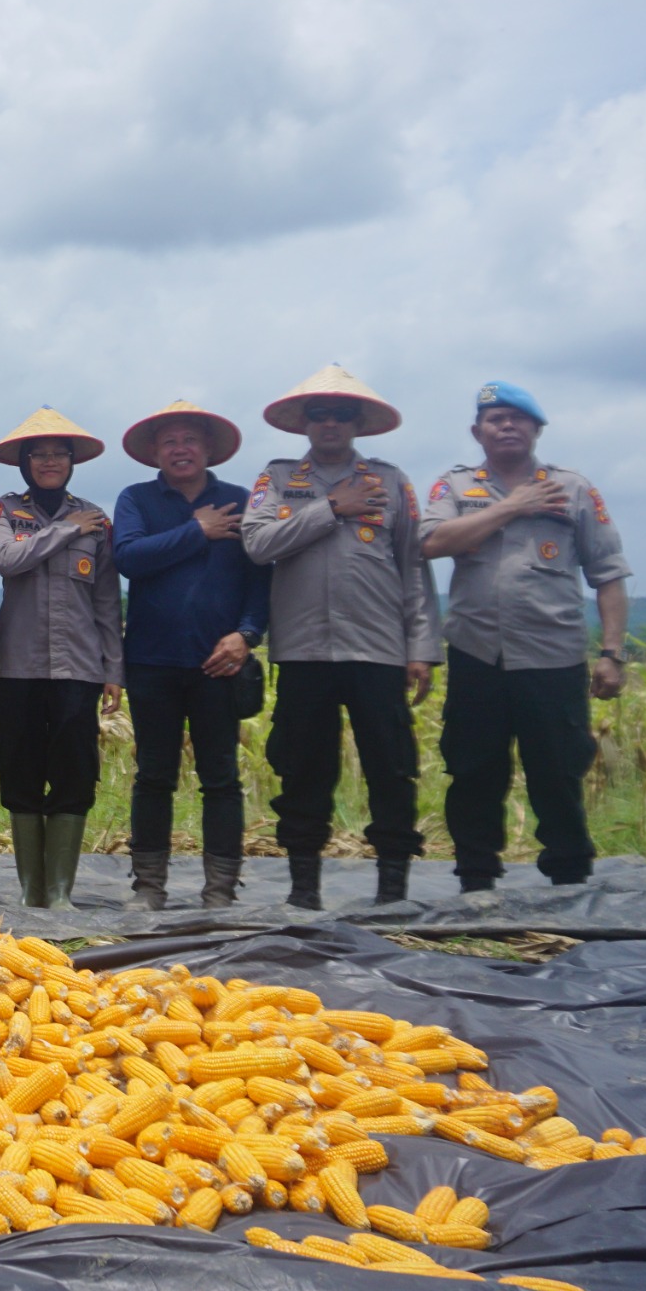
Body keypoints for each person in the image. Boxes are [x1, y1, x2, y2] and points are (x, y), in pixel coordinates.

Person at [242, 365, 440, 910]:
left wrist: (421, 646)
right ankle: (304, 890)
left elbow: (413, 568)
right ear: (305, 423)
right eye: (320, 414)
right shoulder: (279, 478)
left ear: (358, 424)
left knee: (391, 766)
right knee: (304, 768)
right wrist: (332, 508)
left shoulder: (393, 481)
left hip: (378, 649)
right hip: (304, 651)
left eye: (342, 414)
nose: (330, 422)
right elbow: (257, 544)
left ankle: (392, 891)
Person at [421, 380, 632, 891]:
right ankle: (476, 879)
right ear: (478, 431)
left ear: (537, 428)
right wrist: (512, 506)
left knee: (558, 773)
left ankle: (569, 877)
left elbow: (608, 574)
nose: (507, 425)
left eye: (518, 417)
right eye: (496, 419)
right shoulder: (454, 487)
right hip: (477, 654)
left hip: (552, 656)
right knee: (473, 772)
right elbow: (430, 541)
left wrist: (612, 654)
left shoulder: (574, 488)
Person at [112, 400, 271, 911]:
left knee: (220, 776)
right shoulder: (136, 498)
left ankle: (220, 889)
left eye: (190, 439)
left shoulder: (241, 500)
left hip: (220, 663)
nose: (180, 449)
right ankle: (148, 887)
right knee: (154, 775)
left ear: (207, 448)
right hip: (152, 660)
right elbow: (129, 559)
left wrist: (246, 634)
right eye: (169, 441)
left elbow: (261, 577)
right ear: (155, 452)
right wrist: (196, 531)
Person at [0, 409, 122, 907]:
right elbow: (8, 560)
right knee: (19, 772)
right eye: (37, 454)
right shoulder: (1, 512)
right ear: (22, 462)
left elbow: (106, 598)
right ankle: (29, 890)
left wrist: (113, 669)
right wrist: (64, 530)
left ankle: (60, 892)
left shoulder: (96, 519)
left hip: (78, 668)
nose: (48, 461)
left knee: (73, 772)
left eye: (58, 453)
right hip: (18, 666)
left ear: (71, 461)